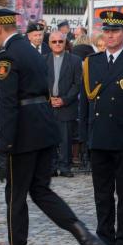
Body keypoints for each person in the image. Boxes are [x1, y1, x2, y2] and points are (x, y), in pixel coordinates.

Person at [0, 8, 106, 245]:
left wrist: (6, 145)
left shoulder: (7, 57)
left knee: (15, 199)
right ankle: (86, 238)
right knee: (40, 191)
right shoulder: (31, 51)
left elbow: (9, 105)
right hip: (44, 129)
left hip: (23, 134)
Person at [80, 10, 123, 245]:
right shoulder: (92, 62)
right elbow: (84, 105)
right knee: (102, 192)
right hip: (99, 137)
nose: (110, 35)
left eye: (115, 31)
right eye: (106, 31)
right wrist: (85, 136)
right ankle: (105, 237)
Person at [45, 31, 82, 177]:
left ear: (65, 42)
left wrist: (64, 99)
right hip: (48, 105)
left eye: (60, 41)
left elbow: (77, 84)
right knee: (49, 137)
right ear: (49, 43)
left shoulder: (75, 60)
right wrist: (49, 98)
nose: (57, 44)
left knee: (66, 138)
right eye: (54, 42)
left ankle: (65, 167)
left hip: (67, 104)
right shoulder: (43, 60)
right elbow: (40, 82)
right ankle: (52, 167)